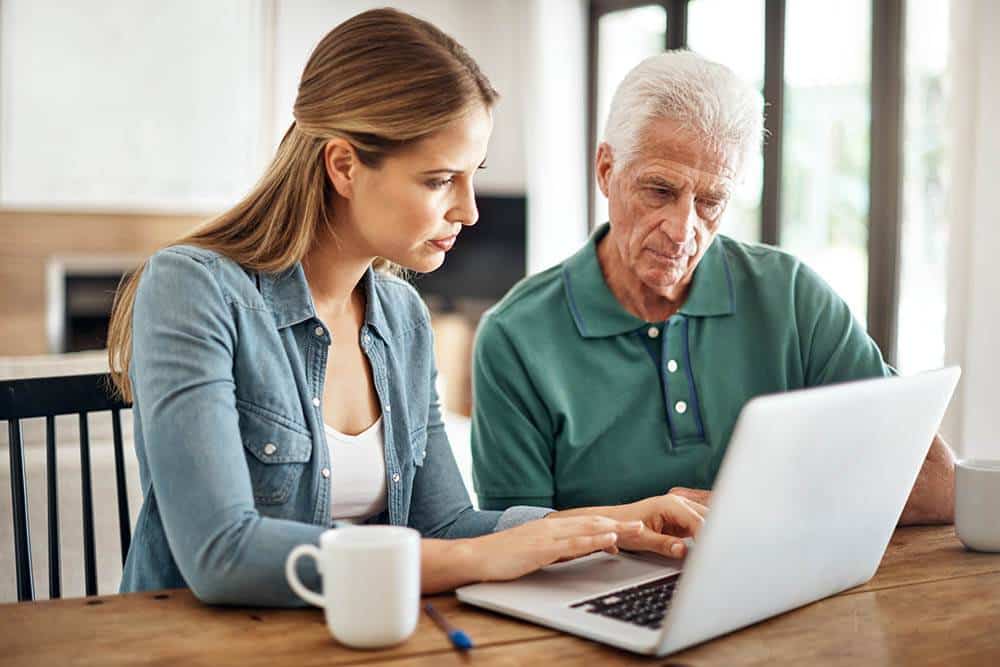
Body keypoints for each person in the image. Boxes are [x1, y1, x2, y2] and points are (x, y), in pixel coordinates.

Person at [106, 9, 705, 607]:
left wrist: (618, 522)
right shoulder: (194, 289)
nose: (469, 210)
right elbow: (222, 554)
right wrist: (477, 559)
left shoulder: (400, 316)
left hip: (354, 637)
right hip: (194, 644)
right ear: (344, 166)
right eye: (439, 180)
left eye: (471, 176)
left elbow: (444, 524)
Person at [471, 51, 955, 524]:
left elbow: (938, 483)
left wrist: (739, 510)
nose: (682, 230)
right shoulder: (515, 337)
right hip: (599, 581)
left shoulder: (793, 297)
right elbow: (511, 542)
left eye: (711, 201)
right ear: (606, 170)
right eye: (660, 191)